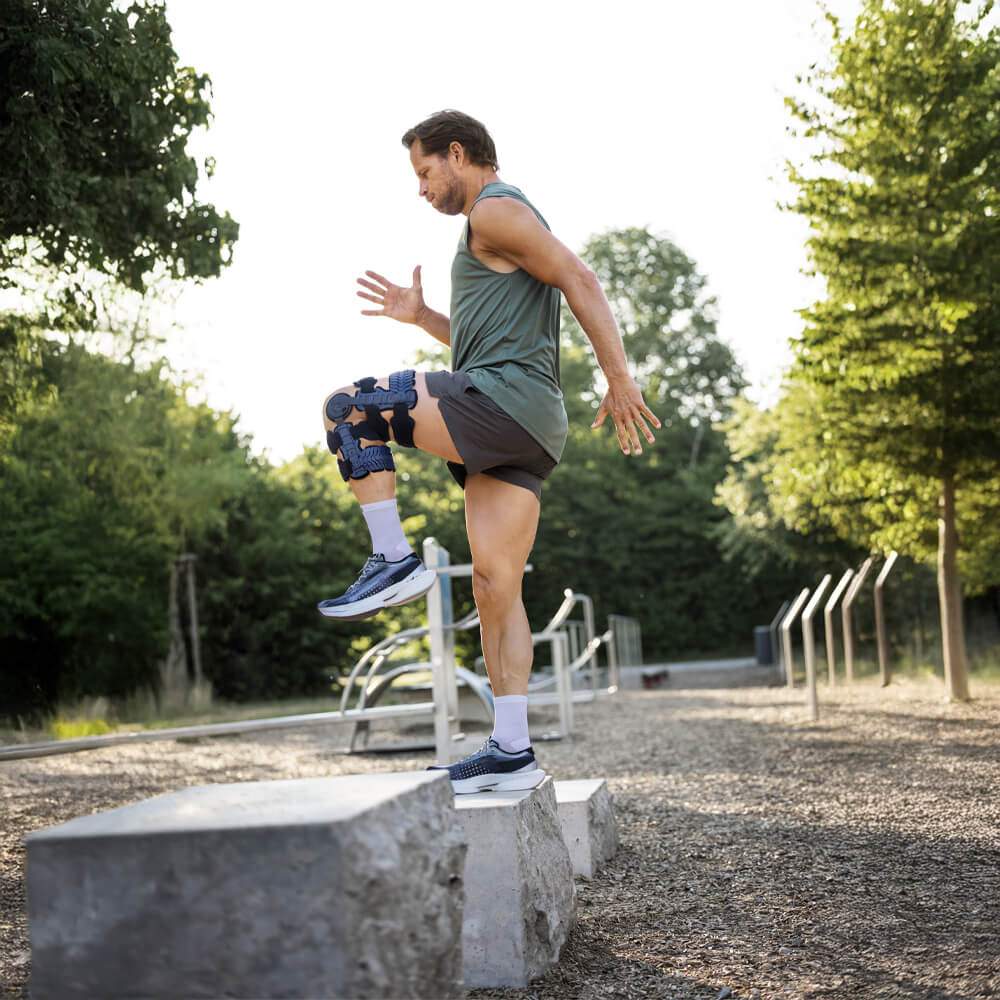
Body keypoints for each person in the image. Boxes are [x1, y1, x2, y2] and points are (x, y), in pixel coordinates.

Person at [318, 110, 659, 793]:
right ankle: (511, 749)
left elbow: (581, 278)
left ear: (456, 153)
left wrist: (620, 376)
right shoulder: (499, 226)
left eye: (424, 172)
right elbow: (489, 345)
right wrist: (422, 319)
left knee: (349, 410)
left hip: (502, 404)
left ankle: (392, 559)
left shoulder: (494, 213)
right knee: (495, 587)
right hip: (527, 425)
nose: (421, 189)